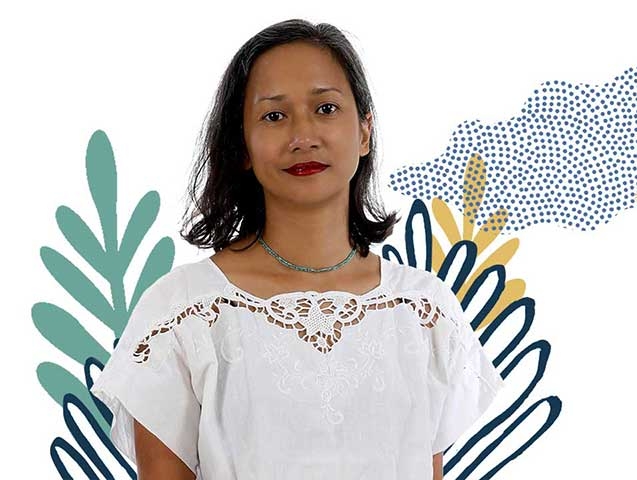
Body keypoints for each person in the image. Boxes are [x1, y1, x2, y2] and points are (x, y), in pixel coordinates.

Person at [90, 18, 505, 480]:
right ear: (242, 146)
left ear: (364, 131)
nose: (303, 136)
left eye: (326, 108)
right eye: (274, 116)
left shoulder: (424, 311)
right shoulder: (182, 311)